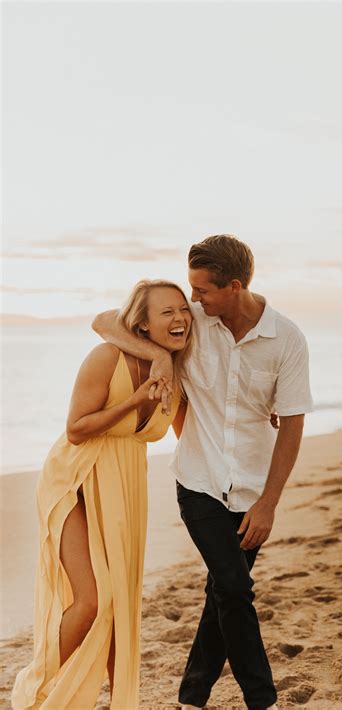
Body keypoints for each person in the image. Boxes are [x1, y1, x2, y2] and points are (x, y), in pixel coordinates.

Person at [92, 235, 314, 710]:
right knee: (234, 588)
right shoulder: (193, 326)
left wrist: (268, 504)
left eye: (203, 291)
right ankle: (264, 701)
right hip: (198, 482)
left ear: (233, 287)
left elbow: (292, 424)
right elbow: (105, 320)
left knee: (223, 592)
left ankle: (191, 697)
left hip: (253, 491)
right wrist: (156, 356)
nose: (193, 301)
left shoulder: (287, 340)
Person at [12, 279, 193, 710]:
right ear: (142, 324)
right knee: (93, 600)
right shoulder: (107, 357)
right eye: (166, 312)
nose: (180, 318)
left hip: (125, 485)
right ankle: (35, 692)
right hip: (73, 478)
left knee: (122, 603)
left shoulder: (180, 376)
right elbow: (76, 430)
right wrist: (134, 401)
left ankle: (119, 702)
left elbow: (191, 436)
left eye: (183, 309)